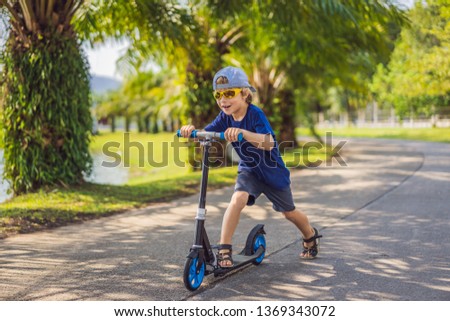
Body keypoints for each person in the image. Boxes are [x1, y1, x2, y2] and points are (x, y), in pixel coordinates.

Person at [179, 66, 322, 268]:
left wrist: (243, 133)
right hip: (249, 169)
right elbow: (206, 132)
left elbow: (269, 142)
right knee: (238, 198)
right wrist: (191, 131)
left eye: (229, 93)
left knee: (288, 213)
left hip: (272, 172)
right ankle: (224, 249)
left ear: (245, 94)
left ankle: (310, 235)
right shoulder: (225, 117)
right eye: (218, 95)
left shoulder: (255, 114)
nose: (223, 100)